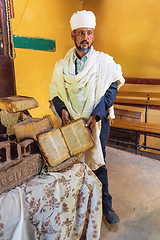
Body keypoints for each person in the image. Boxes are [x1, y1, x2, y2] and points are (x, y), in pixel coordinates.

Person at [49, 10, 125, 225]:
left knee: (98, 162)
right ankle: (78, 204)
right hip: (72, 122)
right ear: (72, 35)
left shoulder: (104, 63)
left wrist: (96, 114)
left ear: (93, 36)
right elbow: (55, 90)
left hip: (97, 121)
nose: (85, 37)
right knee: (74, 164)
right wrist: (62, 109)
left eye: (89, 33)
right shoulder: (61, 65)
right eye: (81, 33)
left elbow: (112, 88)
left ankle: (106, 207)